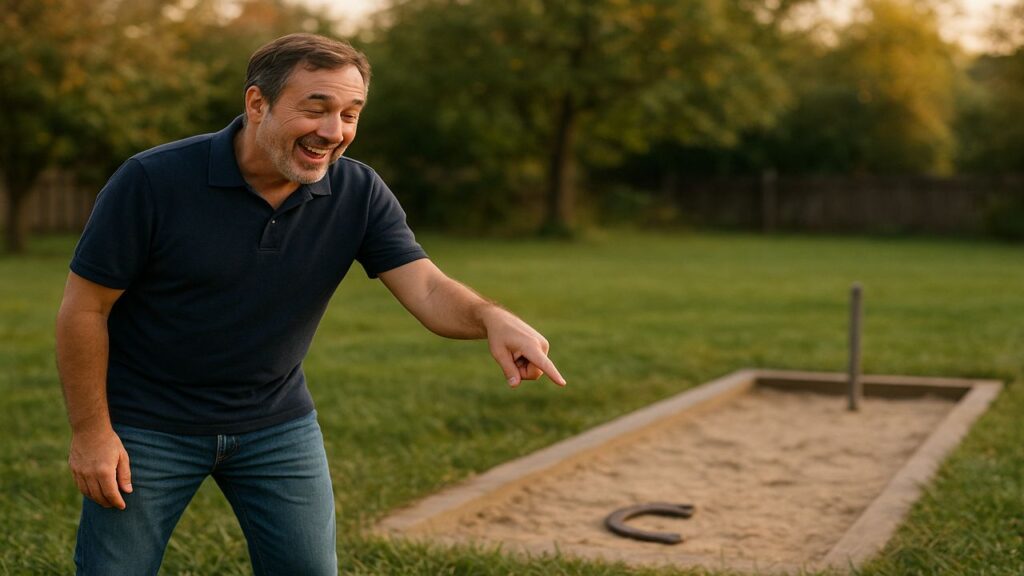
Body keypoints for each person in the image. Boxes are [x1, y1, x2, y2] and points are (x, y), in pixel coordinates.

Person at [55, 33, 565, 575]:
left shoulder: (358, 191)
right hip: (147, 426)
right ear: (257, 104)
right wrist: (92, 433)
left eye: (350, 113)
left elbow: (427, 288)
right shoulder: (152, 181)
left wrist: (491, 316)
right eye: (316, 108)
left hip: (276, 424)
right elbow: (85, 309)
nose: (334, 131)